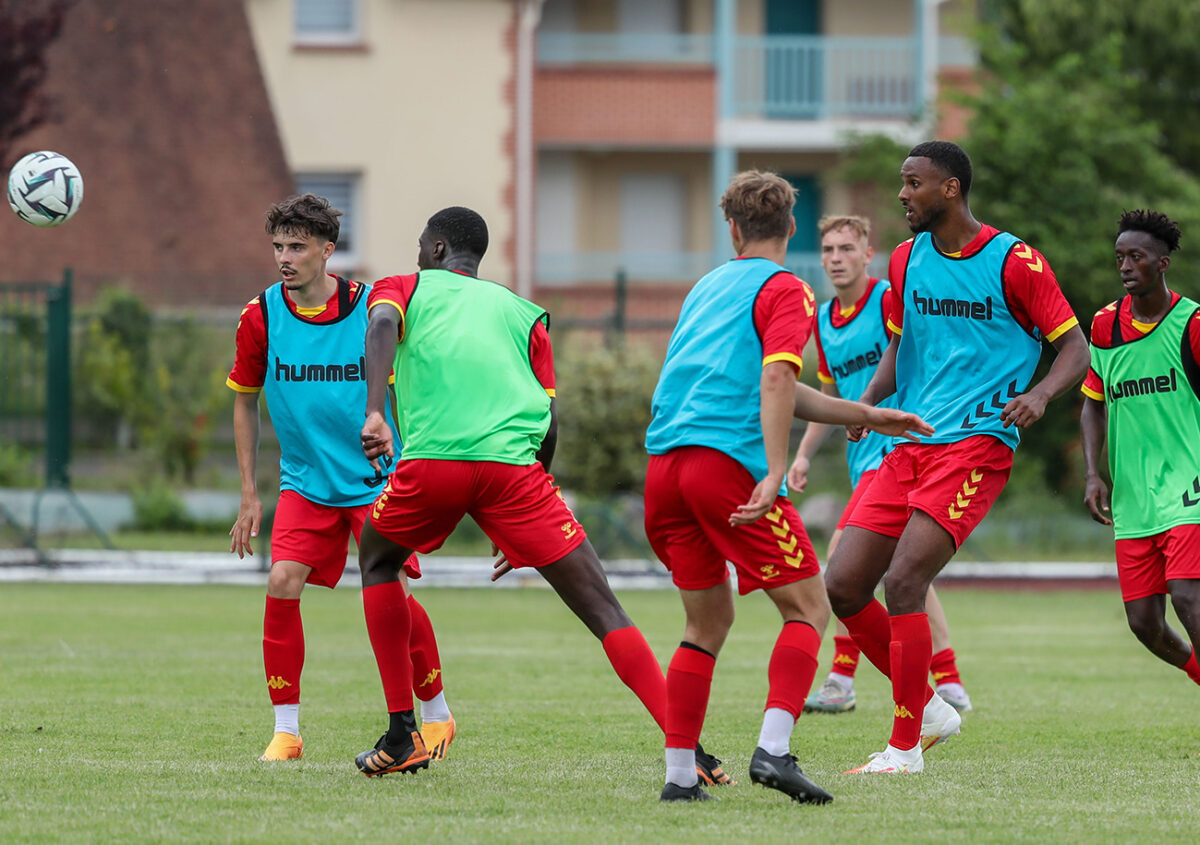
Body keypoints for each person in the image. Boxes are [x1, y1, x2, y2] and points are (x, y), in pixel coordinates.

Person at [351, 206, 729, 786]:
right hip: (517, 475)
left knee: (378, 563)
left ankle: (403, 733)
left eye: (422, 244)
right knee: (605, 609)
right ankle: (690, 748)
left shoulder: (404, 287)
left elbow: (379, 328)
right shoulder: (524, 314)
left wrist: (376, 410)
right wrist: (521, 516)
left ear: (436, 249)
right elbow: (549, 420)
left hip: (434, 464)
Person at [643, 171, 934, 803]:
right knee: (808, 607)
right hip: (725, 466)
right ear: (794, 229)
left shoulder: (705, 286)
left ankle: (679, 780)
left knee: (707, 622)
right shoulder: (786, 289)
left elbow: (772, 385)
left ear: (732, 230)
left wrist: (869, 414)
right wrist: (775, 469)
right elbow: (777, 378)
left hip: (664, 471)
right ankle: (773, 752)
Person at [824, 141, 1090, 774]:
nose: (901, 194)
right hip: (907, 442)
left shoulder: (1014, 260)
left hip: (975, 445)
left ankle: (905, 746)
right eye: (901, 182)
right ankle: (932, 708)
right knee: (842, 584)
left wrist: (1041, 395)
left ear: (949, 189)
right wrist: (865, 409)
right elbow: (898, 351)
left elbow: (1075, 348)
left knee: (906, 581)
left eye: (912, 183)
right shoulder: (904, 259)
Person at [227, 194, 456, 763]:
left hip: (377, 478)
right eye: (278, 246)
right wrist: (249, 495)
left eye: (297, 247)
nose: (285, 257)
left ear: (328, 251)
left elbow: (421, 374)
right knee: (282, 579)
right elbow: (244, 401)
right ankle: (286, 731)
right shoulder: (260, 315)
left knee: (394, 594)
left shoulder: (369, 309)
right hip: (305, 482)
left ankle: (437, 715)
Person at [788, 215, 971, 715]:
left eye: (847, 248)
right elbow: (829, 397)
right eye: (827, 249)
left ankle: (841, 679)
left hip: (897, 452)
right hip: (860, 459)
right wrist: (803, 455)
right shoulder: (823, 322)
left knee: (846, 563)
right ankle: (949, 679)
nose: (836, 258)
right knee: (906, 576)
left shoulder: (889, 298)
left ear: (868, 254)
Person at [1080, 209, 1200, 691]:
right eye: (1119, 257)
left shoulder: (1191, 324)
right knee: (1145, 625)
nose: (1125, 266)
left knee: (1188, 598)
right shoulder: (1105, 327)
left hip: (1188, 490)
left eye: (1137, 257)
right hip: (1134, 499)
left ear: (1163, 263)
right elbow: (1093, 405)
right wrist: (1093, 473)